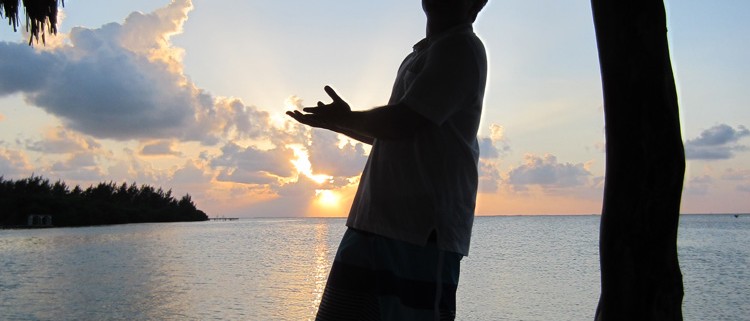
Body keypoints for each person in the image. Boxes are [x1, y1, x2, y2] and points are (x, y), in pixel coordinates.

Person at [287, 0, 488, 320]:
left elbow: (403, 123)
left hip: (421, 234)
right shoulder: (421, 53)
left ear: (476, 4)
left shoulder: (461, 47)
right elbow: (396, 133)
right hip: (370, 222)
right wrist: (337, 122)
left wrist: (346, 118)